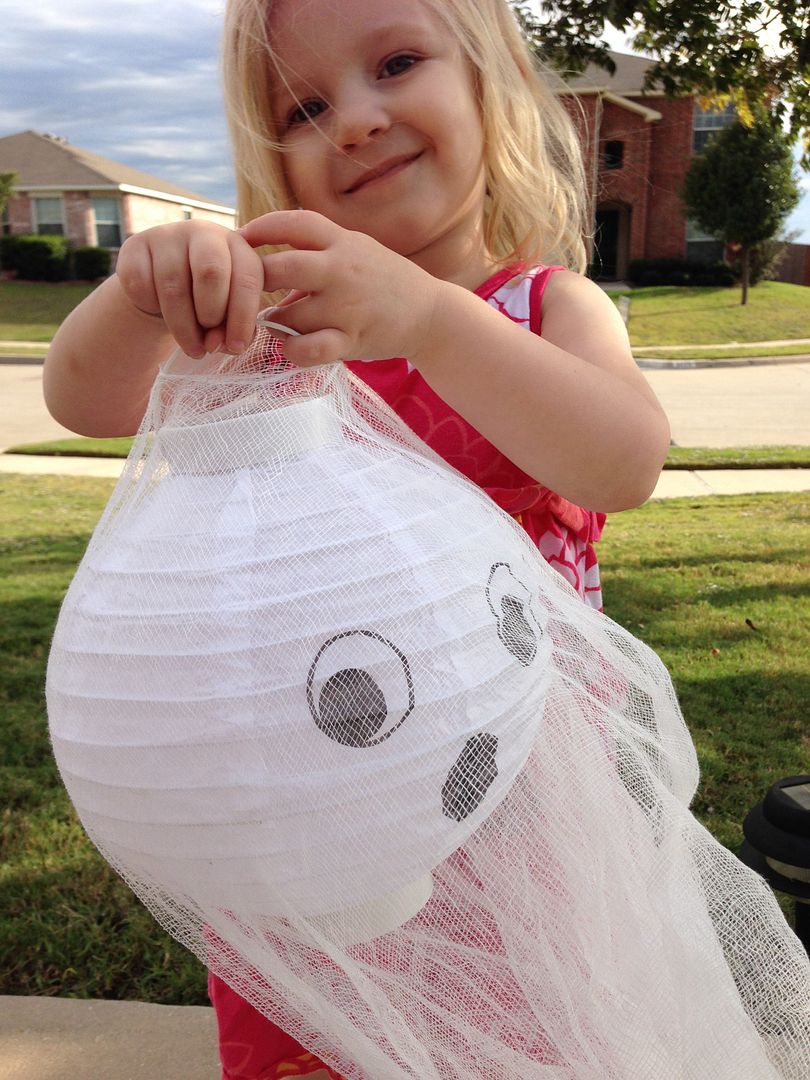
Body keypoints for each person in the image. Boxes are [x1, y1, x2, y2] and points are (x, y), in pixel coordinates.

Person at [43, 0, 671, 1076]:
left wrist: (427, 318)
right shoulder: (275, 331)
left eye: (396, 63)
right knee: (325, 1047)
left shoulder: (544, 307)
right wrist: (142, 293)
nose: (357, 121)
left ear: (490, 81)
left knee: (524, 1044)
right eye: (304, 106)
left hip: (514, 808)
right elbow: (84, 401)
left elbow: (622, 462)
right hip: (310, 813)